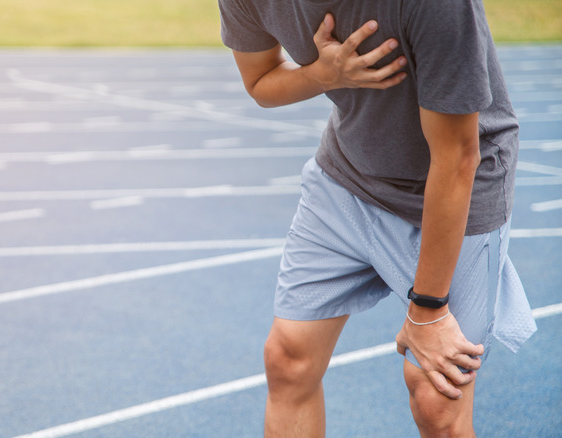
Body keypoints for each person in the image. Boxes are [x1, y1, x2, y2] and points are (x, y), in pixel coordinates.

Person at [217, 0, 538, 436]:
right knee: (288, 360)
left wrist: (427, 311)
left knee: (435, 396)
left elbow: (457, 157)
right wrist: (322, 75)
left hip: (456, 185)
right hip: (348, 175)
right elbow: (259, 82)